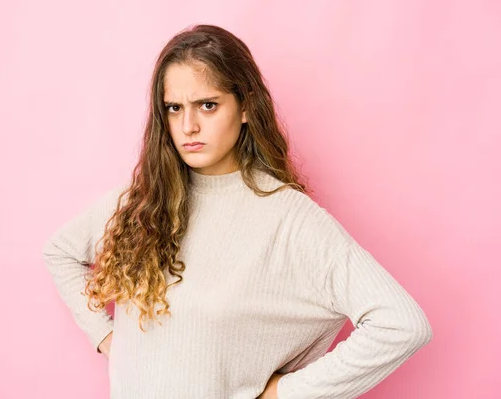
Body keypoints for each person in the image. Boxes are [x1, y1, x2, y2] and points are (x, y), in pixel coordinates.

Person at [42, 24, 432, 399]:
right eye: (174, 108)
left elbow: (402, 324)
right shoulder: (142, 201)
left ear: (245, 106)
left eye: (207, 105)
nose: (188, 126)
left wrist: (287, 393)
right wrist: (108, 339)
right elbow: (60, 251)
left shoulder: (288, 218)